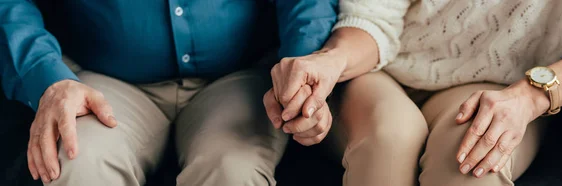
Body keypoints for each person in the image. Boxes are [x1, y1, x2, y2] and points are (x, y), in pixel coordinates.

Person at [0, 0, 337, 185]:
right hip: (101, 83)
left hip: (238, 79)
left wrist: (302, 71)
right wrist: (48, 78)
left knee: (232, 170)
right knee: (79, 163)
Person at [265, 0, 562, 185]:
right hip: (388, 69)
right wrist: (332, 60)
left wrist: (530, 96)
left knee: (473, 168)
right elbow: (373, 21)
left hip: (504, 86)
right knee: (390, 142)